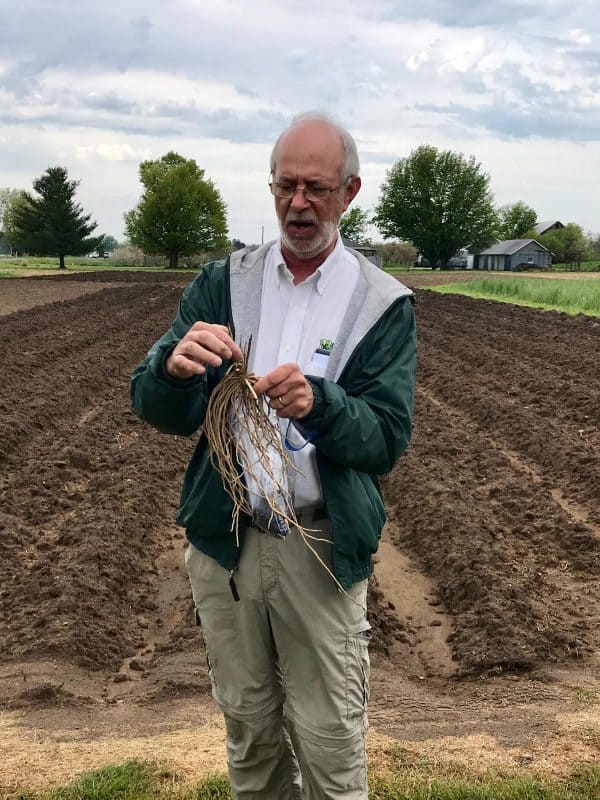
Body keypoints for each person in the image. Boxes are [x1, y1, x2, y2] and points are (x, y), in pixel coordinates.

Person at [131, 111, 417, 799]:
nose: (298, 203)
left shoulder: (381, 303)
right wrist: (172, 371)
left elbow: (385, 439)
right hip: (228, 543)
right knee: (251, 733)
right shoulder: (224, 282)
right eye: (285, 185)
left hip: (318, 546)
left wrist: (320, 404)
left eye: (316, 187)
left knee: (329, 741)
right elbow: (157, 407)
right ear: (270, 187)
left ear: (350, 191)